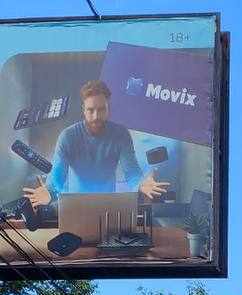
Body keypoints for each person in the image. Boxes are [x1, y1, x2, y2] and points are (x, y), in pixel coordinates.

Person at [21, 79, 168, 211]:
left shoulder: (120, 134)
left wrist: (141, 184)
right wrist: (49, 192)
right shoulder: (68, 136)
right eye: (91, 110)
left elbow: (132, 172)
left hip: (108, 208)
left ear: (108, 109)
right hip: (75, 208)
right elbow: (57, 176)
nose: (96, 116)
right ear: (84, 110)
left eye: (101, 110)